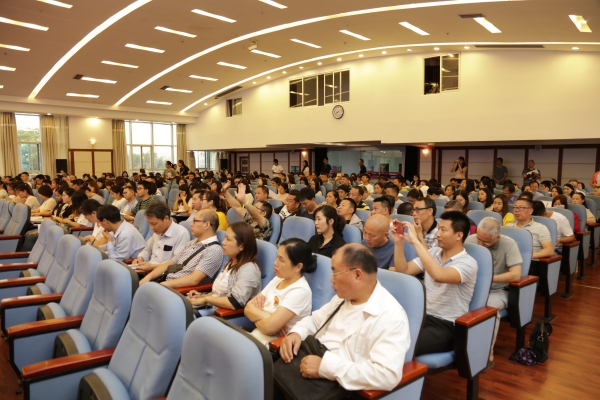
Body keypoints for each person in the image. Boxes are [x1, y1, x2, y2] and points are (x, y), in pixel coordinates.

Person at [276, 243, 410, 396]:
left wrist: (326, 367)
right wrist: (296, 333)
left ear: (357, 275)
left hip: (337, 385)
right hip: (309, 364)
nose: (331, 279)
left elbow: (386, 375)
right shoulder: (343, 298)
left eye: (335, 272)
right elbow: (315, 320)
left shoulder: (391, 317)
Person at [392, 211, 477, 356]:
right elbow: (404, 270)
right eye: (438, 229)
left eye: (443, 230)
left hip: (445, 325)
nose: (438, 234)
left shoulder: (468, 263)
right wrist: (398, 243)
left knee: (398, 346)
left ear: (459, 235)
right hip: (421, 316)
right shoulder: (433, 252)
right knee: (381, 335)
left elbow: (439, 275)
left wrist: (416, 241)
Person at [465, 217, 522, 364]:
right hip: (471, 288)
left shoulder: (509, 244)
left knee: (487, 309)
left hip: (496, 290)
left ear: (497, 238)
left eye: (486, 242)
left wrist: (488, 278)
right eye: (479, 239)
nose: (480, 244)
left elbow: (515, 275)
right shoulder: (470, 241)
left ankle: (487, 350)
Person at [246, 238, 315, 346]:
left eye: (281, 260)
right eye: (276, 256)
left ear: (298, 267)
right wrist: (269, 318)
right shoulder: (279, 278)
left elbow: (268, 328)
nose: (275, 262)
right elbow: (248, 308)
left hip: (275, 345)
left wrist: (258, 316)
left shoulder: (300, 291)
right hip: (257, 336)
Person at [187, 222, 261, 312]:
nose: (223, 242)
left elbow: (234, 302)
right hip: (212, 308)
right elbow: (217, 294)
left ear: (242, 246)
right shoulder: (230, 262)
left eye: (228, 239)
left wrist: (206, 299)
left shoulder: (249, 269)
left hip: (225, 315)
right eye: (225, 237)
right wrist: (201, 296)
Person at [140, 209, 224, 288]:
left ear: (206, 225)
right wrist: (148, 277)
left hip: (179, 290)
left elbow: (194, 279)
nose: (191, 224)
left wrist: (160, 286)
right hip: (166, 280)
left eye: (195, 221)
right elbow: (171, 263)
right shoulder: (192, 243)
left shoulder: (213, 250)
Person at [132, 201, 191, 272]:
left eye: (154, 224)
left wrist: (152, 267)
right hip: (149, 270)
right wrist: (141, 258)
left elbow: (177, 264)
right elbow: (147, 250)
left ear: (166, 218)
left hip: (164, 274)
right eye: (149, 223)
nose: (151, 228)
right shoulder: (157, 231)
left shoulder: (181, 234)